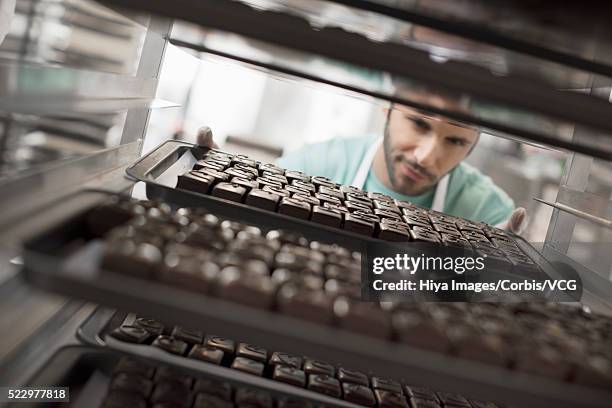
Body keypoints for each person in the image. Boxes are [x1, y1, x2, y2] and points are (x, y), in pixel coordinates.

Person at [196, 90, 528, 233]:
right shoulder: (315, 165)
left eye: (455, 141)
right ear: (387, 110)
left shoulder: (488, 213)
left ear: (472, 147)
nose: (426, 156)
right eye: (419, 124)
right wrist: (216, 185)